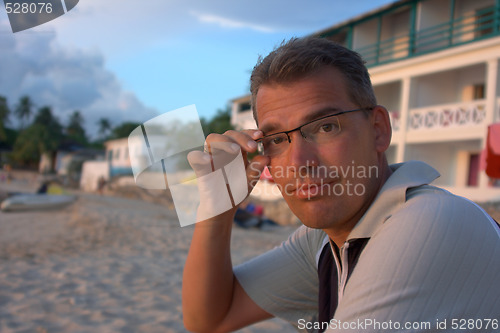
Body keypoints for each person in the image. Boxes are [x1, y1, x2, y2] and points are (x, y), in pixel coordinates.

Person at [182, 37, 500, 333]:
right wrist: (217, 207)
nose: (297, 162)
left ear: (378, 129)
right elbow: (210, 318)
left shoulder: (431, 220)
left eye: (326, 127)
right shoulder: (323, 242)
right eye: (277, 139)